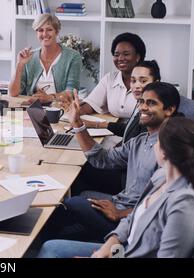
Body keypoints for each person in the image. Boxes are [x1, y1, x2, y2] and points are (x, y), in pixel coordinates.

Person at [39, 82, 180, 243]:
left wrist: (121, 213)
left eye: (151, 103)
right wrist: (77, 123)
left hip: (132, 219)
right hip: (119, 203)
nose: (143, 107)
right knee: (62, 215)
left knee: (73, 203)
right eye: (141, 102)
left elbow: (162, 204)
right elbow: (102, 159)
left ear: (169, 110)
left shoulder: (170, 149)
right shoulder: (140, 141)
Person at [39, 117, 194, 258]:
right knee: (50, 247)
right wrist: (107, 247)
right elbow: (132, 219)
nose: (153, 145)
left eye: (157, 141)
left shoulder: (183, 204)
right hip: (123, 250)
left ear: (164, 152)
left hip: (128, 254)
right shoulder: (160, 177)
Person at [71, 60, 161, 197]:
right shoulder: (140, 107)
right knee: (80, 167)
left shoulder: (152, 115)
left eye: (143, 81)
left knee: (77, 171)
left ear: (157, 82)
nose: (137, 86)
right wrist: (92, 124)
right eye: (133, 81)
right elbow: (129, 131)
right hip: (123, 165)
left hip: (127, 179)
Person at [9, 13, 82, 104]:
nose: (44, 34)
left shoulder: (73, 57)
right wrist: (19, 64)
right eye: (40, 30)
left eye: (49, 30)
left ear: (57, 31)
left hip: (60, 110)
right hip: (32, 109)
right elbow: (13, 93)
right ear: (36, 33)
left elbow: (71, 92)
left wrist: (50, 97)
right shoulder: (29, 57)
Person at [80, 33, 146, 119]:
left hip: (138, 130)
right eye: (116, 55)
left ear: (137, 57)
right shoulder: (110, 78)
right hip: (112, 128)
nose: (120, 58)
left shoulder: (148, 80)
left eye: (126, 54)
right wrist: (77, 109)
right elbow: (92, 103)